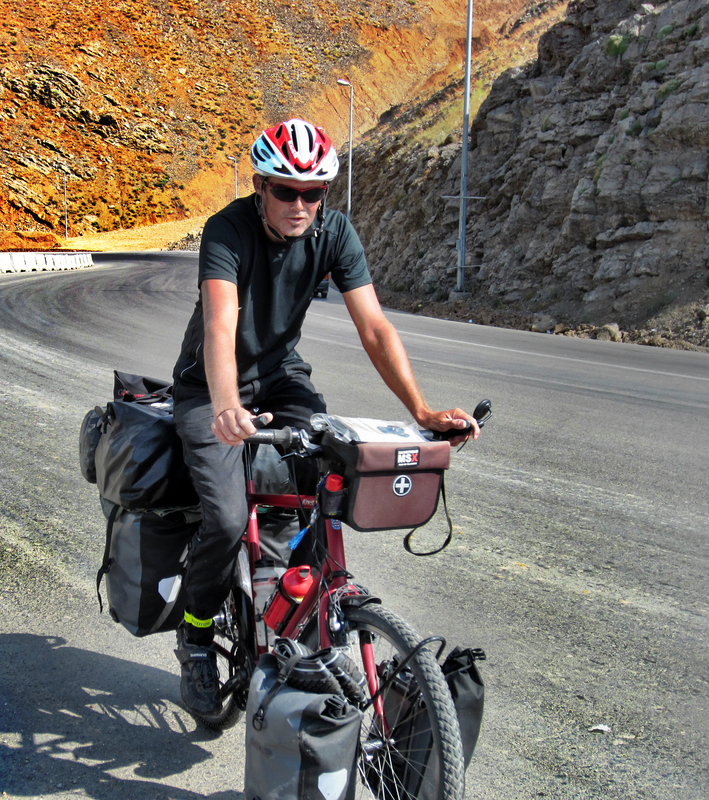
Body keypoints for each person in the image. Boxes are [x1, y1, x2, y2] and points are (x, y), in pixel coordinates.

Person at [170, 118, 480, 717]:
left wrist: (420, 410)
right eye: (286, 190)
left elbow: (374, 327)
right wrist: (228, 405)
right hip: (209, 387)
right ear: (260, 185)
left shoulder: (335, 233)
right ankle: (197, 632)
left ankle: (303, 613)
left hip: (283, 377)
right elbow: (219, 325)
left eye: (314, 193)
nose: (301, 204)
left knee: (331, 478)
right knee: (230, 515)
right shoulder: (226, 230)